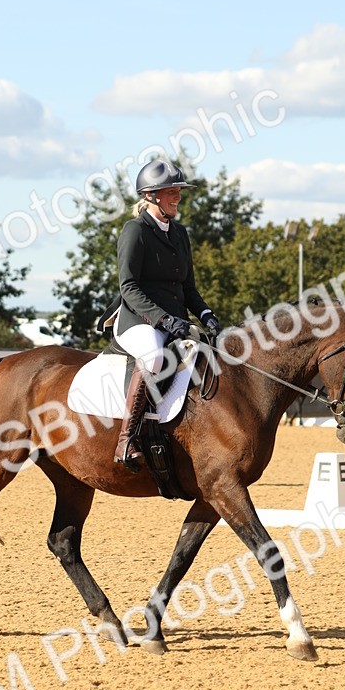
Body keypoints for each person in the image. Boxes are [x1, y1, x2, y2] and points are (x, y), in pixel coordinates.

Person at [102, 159, 222, 470]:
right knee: (154, 357)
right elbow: (128, 286)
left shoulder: (180, 233)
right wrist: (163, 319)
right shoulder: (135, 231)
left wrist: (206, 313)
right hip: (137, 320)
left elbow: (189, 288)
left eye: (179, 191)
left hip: (176, 322)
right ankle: (126, 439)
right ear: (152, 195)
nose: (178, 197)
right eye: (172, 192)